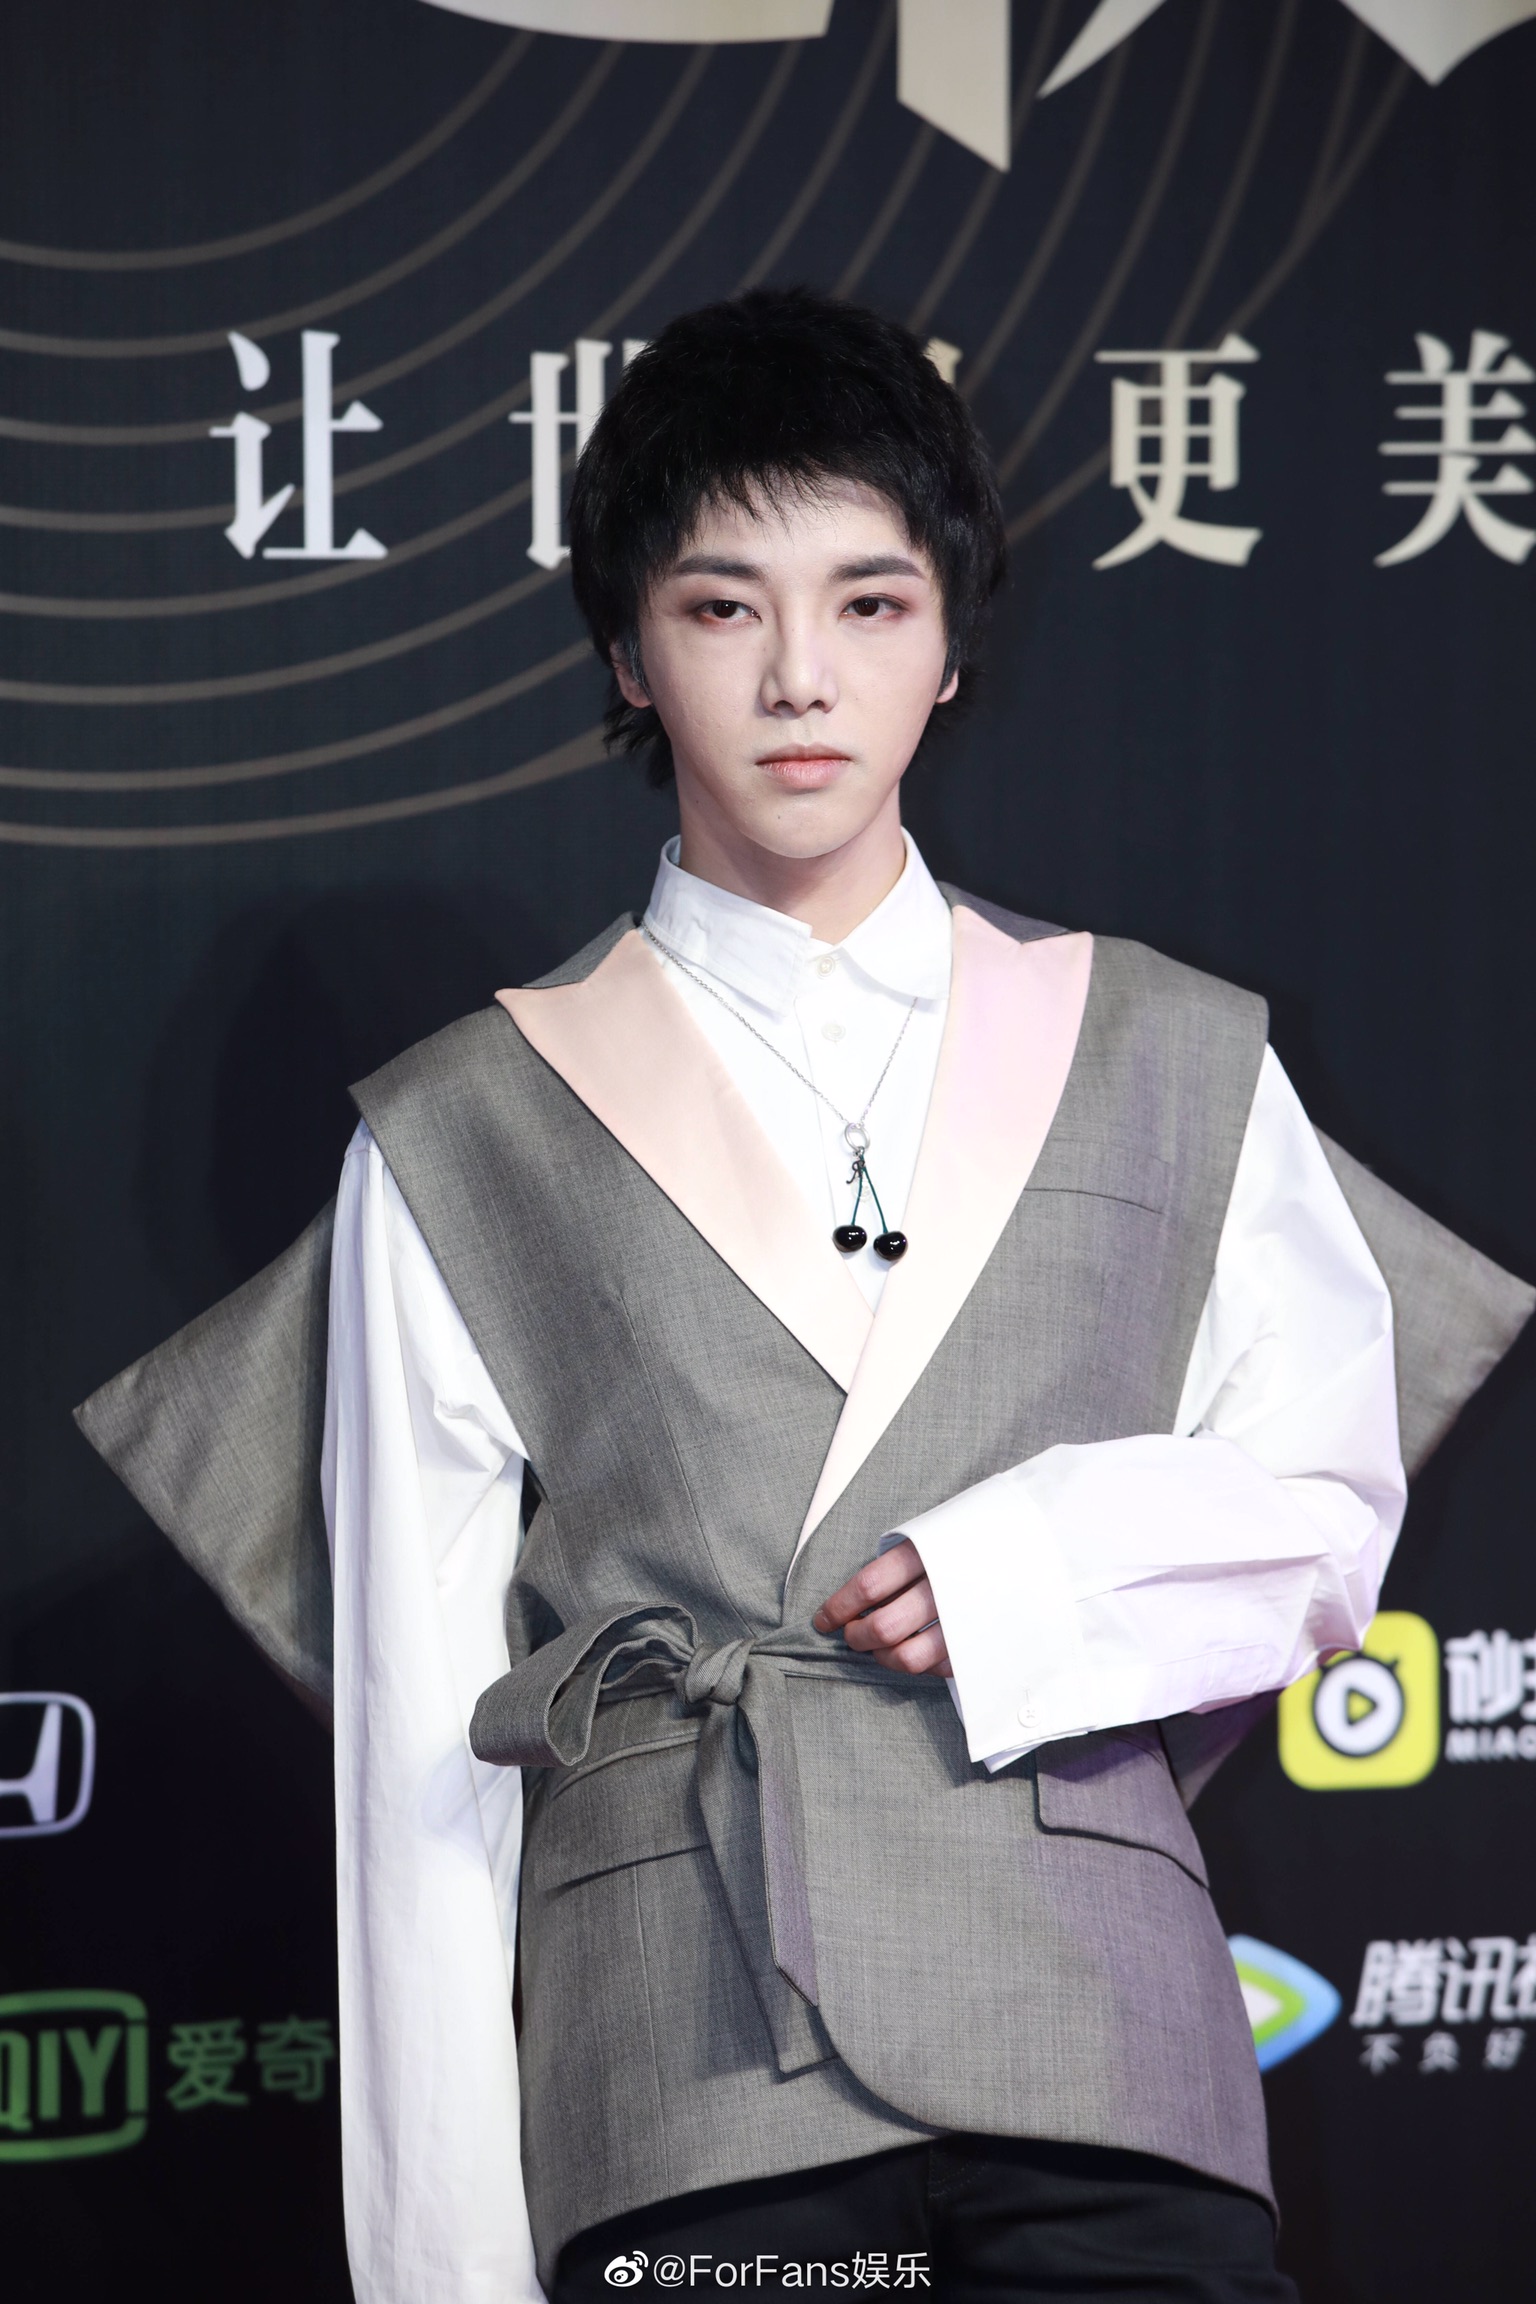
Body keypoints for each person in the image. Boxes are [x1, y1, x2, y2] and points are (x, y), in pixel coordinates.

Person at [77, 289, 1532, 2304]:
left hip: (1104, 2057)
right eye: (721, 607)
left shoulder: (1169, 1048)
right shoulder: (464, 1124)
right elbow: (421, 1761)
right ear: (629, 650)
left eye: (868, 602)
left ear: (949, 642)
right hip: (682, 2071)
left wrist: (1036, 1568)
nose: (798, 678)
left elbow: (1320, 1506)